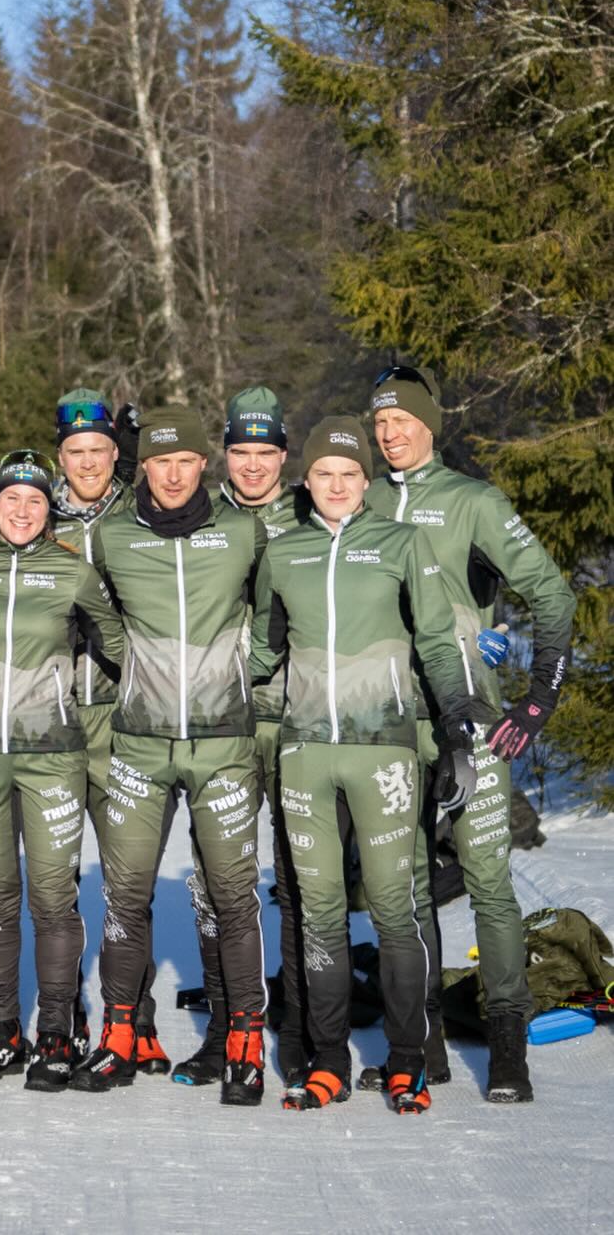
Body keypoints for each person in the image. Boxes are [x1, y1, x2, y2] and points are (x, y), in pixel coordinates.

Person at [248, 417, 474, 1116]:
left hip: (384, 754)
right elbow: (261, 652)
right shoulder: (283, 554)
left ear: (365, 482)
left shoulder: (402, 543)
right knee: (317, 917)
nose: (338, 485)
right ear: (306, 480)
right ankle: (327, 1061)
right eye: (324, 474)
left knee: (394, 911)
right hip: (306, 755)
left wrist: (460, 727)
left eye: (349, 474)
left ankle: (408, 1062)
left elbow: (437, 641)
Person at [366, 364, 576, 1103]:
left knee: (487, 878)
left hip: (475, 725)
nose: (389, 433)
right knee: (407, 885)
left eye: (402, 420)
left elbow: (552, 592)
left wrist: (536, 698)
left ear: (430, 422)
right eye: (380, 422)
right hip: (390, 727)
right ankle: (423, 1039)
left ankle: (510, 1043)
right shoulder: (357, 501)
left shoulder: (472, 501)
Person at [69, 406, 269, 1104]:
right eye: (160, 461)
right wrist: (131, 670)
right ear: (143, 467)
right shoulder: (113, 534)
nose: (175, 473)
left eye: (186, 460)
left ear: (202, 464)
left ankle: (245, 1040)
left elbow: (271, 613)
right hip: (140, 742)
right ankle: (119, 1034)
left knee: (232, 895)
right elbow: (89, 609)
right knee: (125, 893)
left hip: (223, 743)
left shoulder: (243, 530)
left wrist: (247, 667)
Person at [0, 449, 125, 1091]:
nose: (23, 510)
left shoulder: (72, 572)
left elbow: (118, 642)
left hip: (52, 753)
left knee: (52, 896)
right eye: (13, 498)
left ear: (50, 510)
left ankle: (56, 1030)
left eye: (36, 501)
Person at [174, 386, 309, 1087]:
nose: (252, 465)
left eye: (265, 452)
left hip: (292, 719)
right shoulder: (205, 518)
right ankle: (226, 1027)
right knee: (213, 882)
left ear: (284, 455)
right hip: (219, 724)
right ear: (223, 455)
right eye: (240, 451)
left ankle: (294, 1026)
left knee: (292, 876)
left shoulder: (312, 512)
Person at [48, 386, 158, 1065]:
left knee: (128, 879)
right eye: (75, 451)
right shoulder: (32, 510)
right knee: (57, 881)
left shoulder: (140, 512)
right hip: (57, 719)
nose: (87, 463)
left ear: (116, 454)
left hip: (121, 718)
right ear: (60, 455)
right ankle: (66, 1012)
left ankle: (135, 1016)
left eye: (98, 451)